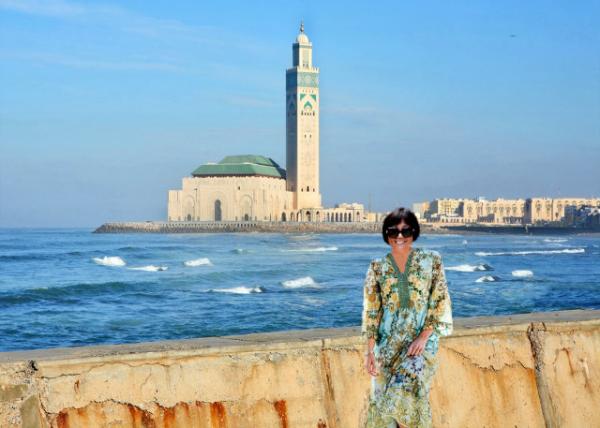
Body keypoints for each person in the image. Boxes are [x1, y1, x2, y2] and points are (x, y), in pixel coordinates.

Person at [361, 207, 453, 428]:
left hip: (421, 346)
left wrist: (423, 336)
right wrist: (370, 352)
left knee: (404, 399)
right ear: (386, 234)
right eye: (393, 231)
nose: (400, 236)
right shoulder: (377, 267)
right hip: (388, 346)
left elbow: (440, 300)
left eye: (406, 231)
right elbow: (372, 312)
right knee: (385, 414)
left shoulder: (432, 261)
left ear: (414, 232)